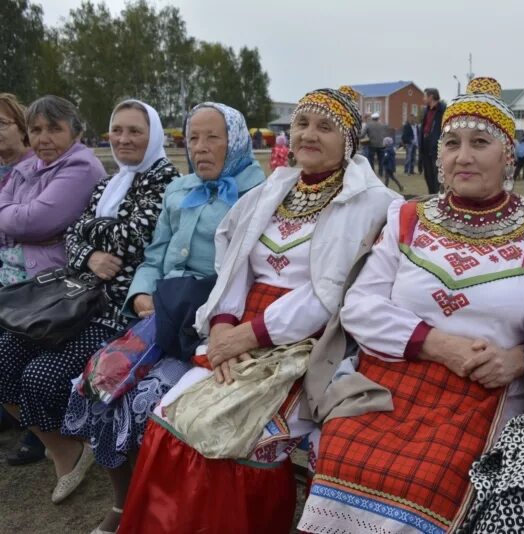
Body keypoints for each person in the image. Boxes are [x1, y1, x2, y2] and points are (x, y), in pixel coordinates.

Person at [117, 86, 399, 534]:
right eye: (302, 124)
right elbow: (233, 263)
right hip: (240, 328)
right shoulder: (277, 187)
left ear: (350, 140)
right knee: (170, 418)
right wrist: (224, 327)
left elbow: (330, 292)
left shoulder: (372, 202)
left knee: (234, 439)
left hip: (308, 342)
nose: (308, 135)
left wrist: (247, 336)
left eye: (325, 127)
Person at [299, 77, 524, 534]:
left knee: (437, 475)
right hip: (396, 378)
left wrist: (519, 360)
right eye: (452, 142)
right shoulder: (409, 217)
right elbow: (359, 306)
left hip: (486, 390)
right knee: (347, 447)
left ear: (507, 154)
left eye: (480, 143)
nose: (463, 156)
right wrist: (438, 345)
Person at [61, 101, 263, 533]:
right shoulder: (180, 189)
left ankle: (162, 511)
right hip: (163, 306)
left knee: (149, 400)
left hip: (213, 318)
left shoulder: (258, 192)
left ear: (237, 141)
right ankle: (123, 500)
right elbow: (155, 257)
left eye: (214, 138)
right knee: (98, 381)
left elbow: (250, 273)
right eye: (193, 138)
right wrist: (140, 295)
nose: (201, 148)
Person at [0, 95, 163, 505]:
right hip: (77, 299)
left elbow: (134, 237)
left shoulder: (163, 180)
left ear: (153, 136)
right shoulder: (112, 182)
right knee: (3, 352)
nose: (123, 139)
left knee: (40, 376)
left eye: (135, 132)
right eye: (118, 130)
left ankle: (74, 448)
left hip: (116, 312)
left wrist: (89, 232)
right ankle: (66, 447)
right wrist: (88, 250)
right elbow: (75, 234)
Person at [0, 93, 42, 465]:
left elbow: (28, 225)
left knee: (16, 339)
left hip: (29, 274)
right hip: (7, 268)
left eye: (2, 124)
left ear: (22, 129)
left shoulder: (33, 168)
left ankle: (37, 431)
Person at [419, 87, 446, 194]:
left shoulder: (443, 110)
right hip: (425, 147)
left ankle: (438, 197)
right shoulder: (426, 111)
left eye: (425, 96)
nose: (423, 99)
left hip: (436, 147)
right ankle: (431, 196)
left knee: (437, 175)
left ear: (431, 96)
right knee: (428, 175)